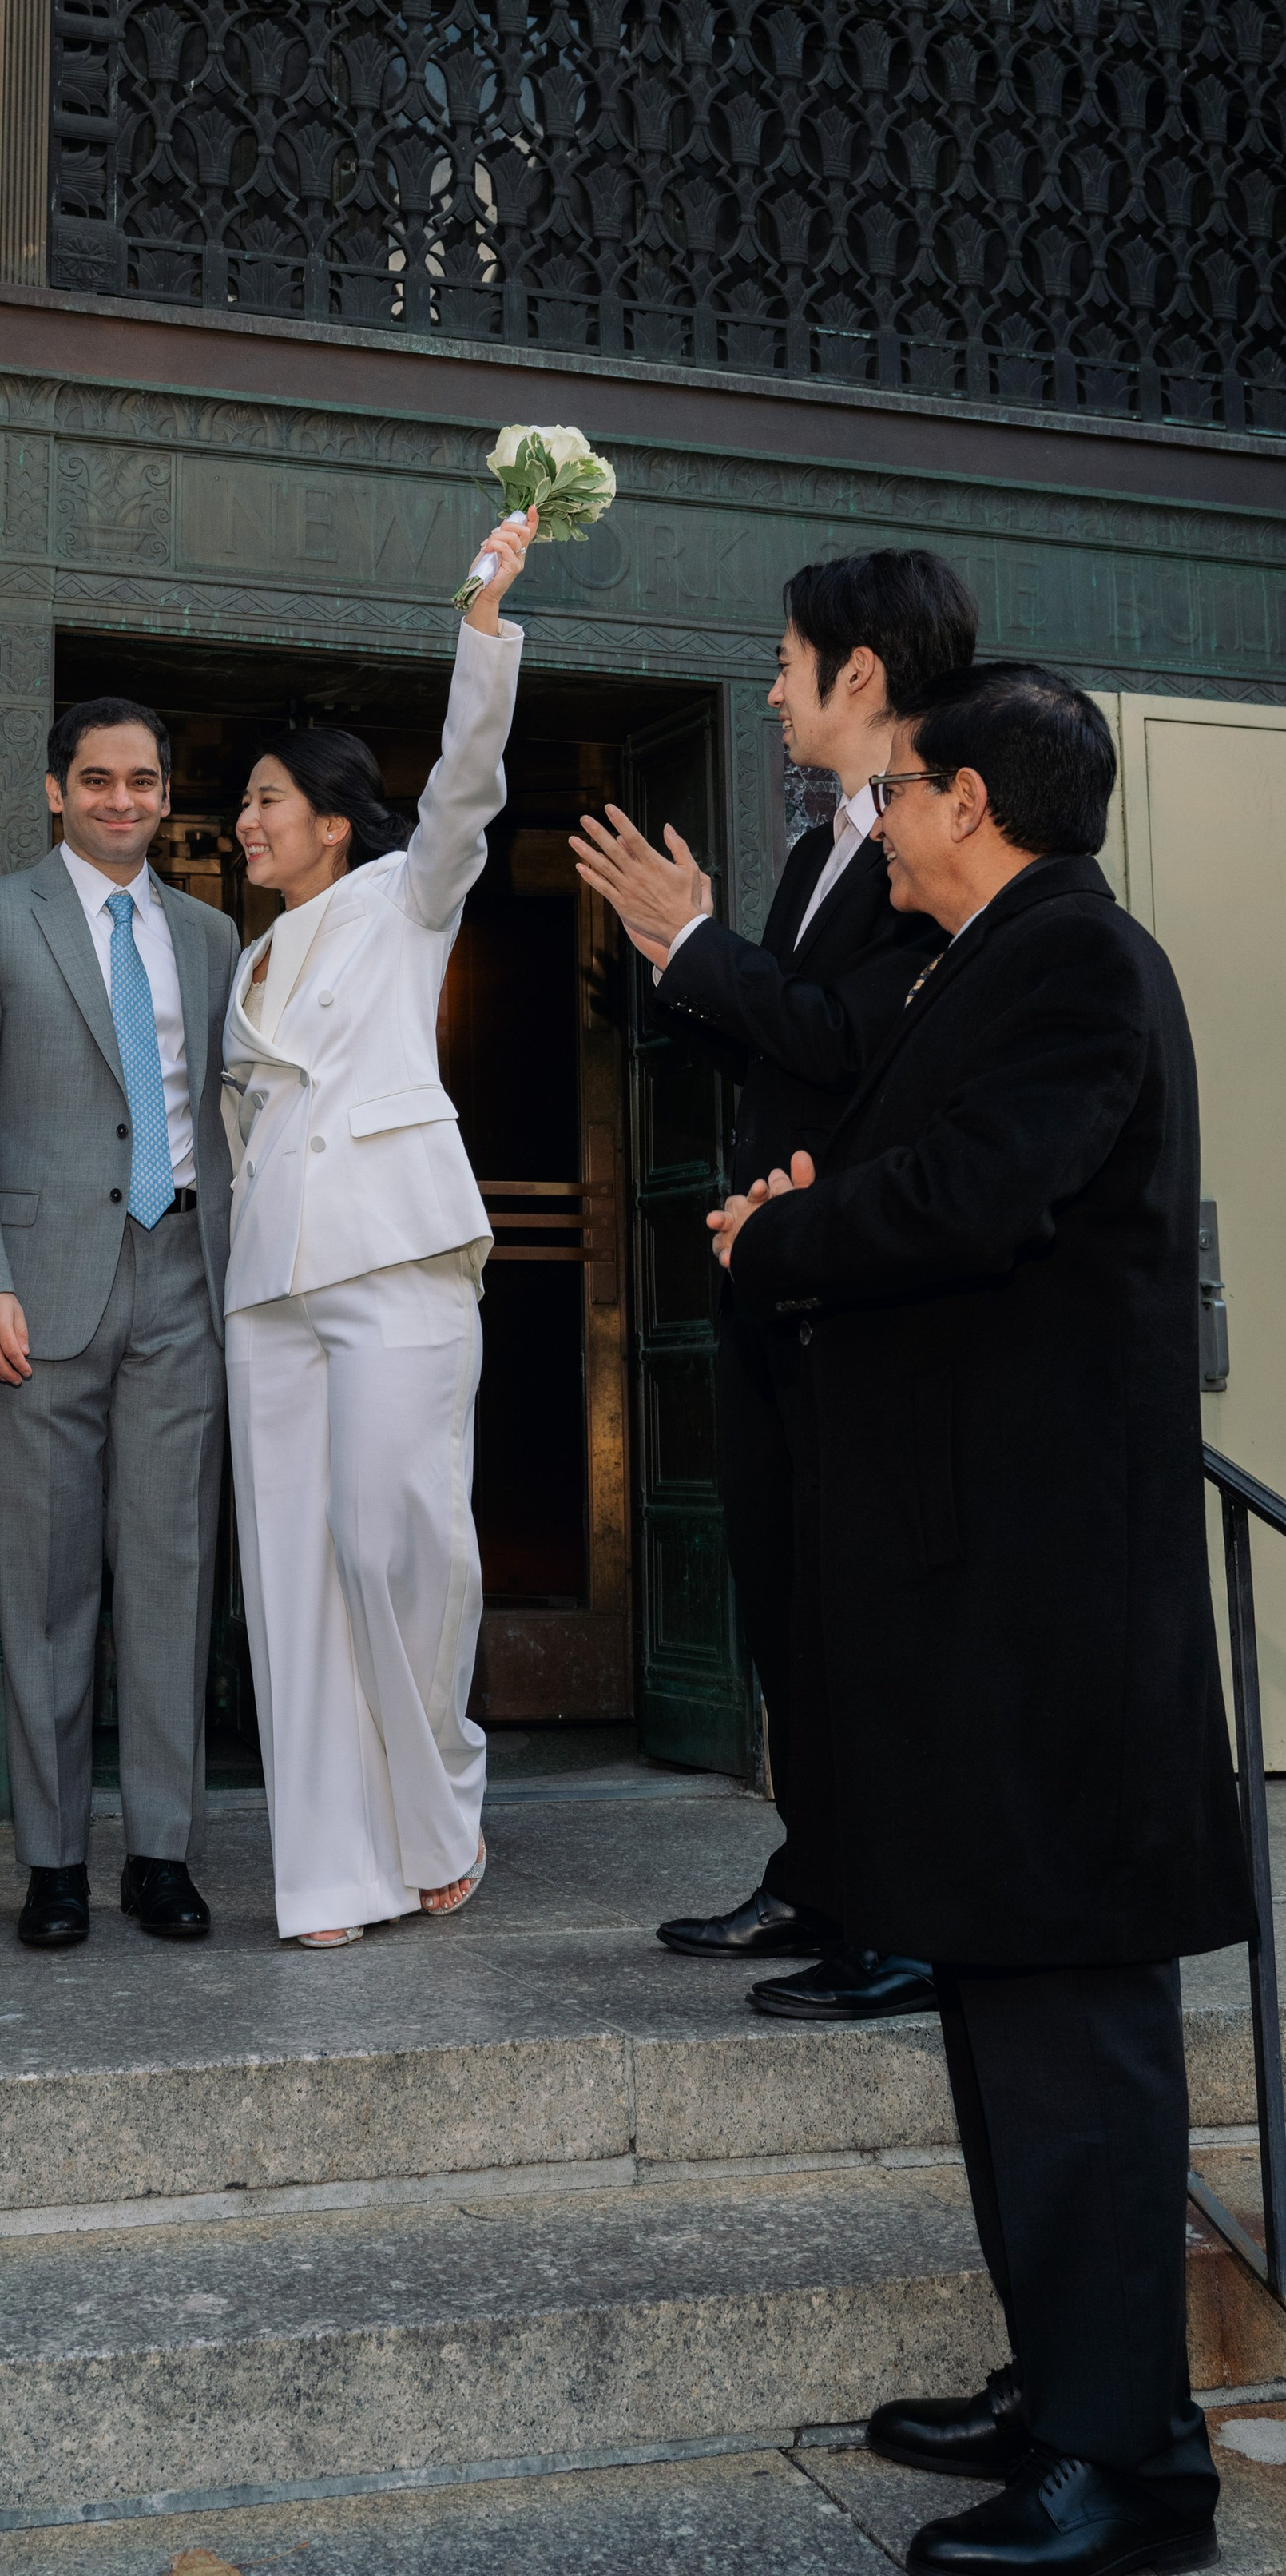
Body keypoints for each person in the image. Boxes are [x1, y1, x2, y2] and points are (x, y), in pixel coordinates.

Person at [712, 662, 1251, 2575]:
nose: (884, 822)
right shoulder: (979, 967)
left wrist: (785, 1231)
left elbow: (979, 1195)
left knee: (1070, 2032)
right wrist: (816, 1191)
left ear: (967, 802)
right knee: (994, 2007)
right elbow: (930, 1183)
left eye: (905, 793)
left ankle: (1131, 2464)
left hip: (1045, 1608)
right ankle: (1063, 2387)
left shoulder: (1072, 962)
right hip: (974, 1590)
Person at [570, 547, 975, 2024]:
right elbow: (771, 1040)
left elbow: (845, 1040)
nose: (768, 687)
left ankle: (912, 1916)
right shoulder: (817, 850)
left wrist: (698, 942)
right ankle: (820, 1871)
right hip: (768, 1277)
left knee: (872, 1611)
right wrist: (674, 969)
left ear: (857, 672)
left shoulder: (938, 849)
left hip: (863, 1287)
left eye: (786, 658)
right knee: (788, 1598)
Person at [223, 511, 534, 1946]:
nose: (248, 818)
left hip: (398, 1255)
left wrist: (481, 619)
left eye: (271, 799)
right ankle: (334, 1871)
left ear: (337, 817)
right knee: (291, 1576)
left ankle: (441, 1794)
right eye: (245, 802)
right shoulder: (255, 953)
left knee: (396, 1542)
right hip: (271, 1280)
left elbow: (467, 789)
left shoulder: (401, 904)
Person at [0, 697, 239, 1948]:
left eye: (143, 780)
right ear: (55, 789)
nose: (121, 799)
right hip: (34, 1295)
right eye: (97, 779)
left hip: (182, 1281)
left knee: (171, 1575)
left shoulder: (211, 933)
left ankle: (163, 1851)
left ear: (167, 793)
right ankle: (52, 1862)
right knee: (45, 1586)